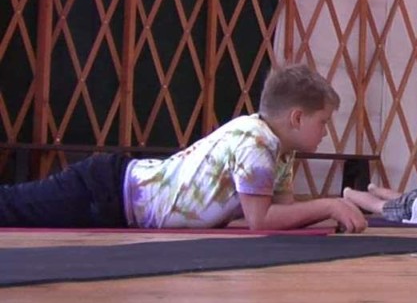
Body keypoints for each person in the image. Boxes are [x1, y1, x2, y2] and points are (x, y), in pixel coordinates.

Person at [0, 63, 368, 233]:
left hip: (117, 204)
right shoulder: (256, 142)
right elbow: (260, 221)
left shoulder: (280, 152)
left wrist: (325, 212)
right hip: (105, 189)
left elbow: (282, 213)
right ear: (297, 118)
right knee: (13, 207)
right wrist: (328, 205)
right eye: (323, 121)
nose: (326, 132)